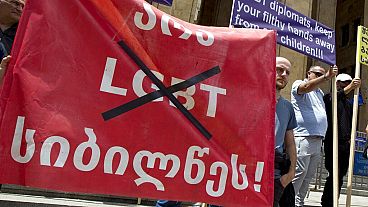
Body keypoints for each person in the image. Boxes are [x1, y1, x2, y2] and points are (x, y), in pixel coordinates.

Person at [291, 65, 338, 207]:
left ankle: (299, 202)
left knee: (308, 176)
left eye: (321, 74)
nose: (319, 76)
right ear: (308, 73)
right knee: (299, 173)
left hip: (318, 140)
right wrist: (325, 77)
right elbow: (305, 88)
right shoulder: (298, 84)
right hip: (303, 137)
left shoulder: (319, 93)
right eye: (316, 73)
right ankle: (288, 202)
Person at [321, 73, 361, 207]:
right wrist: (350, 87)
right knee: (334, 173)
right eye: (344, 82)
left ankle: (333, 200)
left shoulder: (350, 104)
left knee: (340, 176)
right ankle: (327, 202)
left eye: (349, 82)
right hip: (333, 142)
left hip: (345, 144)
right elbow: (334, 98)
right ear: (337, 83)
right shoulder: (329, 98)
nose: (347, 85)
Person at [273, 57, 297, 207]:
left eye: (287, 72)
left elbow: (290, 143)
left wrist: (291, 173)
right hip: (245, 172)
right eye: (279, 69)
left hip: (275, 176)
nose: (283, 74)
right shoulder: (252, 97)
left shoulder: (287, 107)